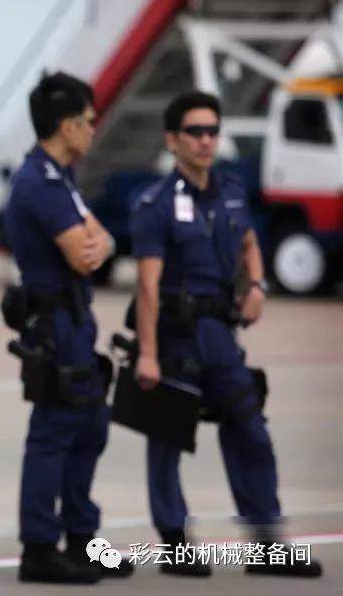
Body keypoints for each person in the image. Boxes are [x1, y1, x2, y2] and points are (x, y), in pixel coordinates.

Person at [129, 91, 322, 578]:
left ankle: (265, 544)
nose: (206, 140)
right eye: (195, 131)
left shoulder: (232, 191)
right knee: (167, 438)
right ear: (173, 140)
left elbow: (250, 242)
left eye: (213, 130)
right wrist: (147, 354)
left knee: (252, 431)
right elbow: (147, 285)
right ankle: (175, 543)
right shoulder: (155, 205)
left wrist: (256, 284)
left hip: (219, 333)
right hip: (173, 335)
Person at [4, 72, 132, 584]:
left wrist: (100, 243)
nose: (94, 130)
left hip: (74, 320)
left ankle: (81, 537)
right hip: (55, 324)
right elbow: (85, 254)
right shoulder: (40, 182)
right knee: (55, 432)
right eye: (89, 121)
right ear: (66, 124)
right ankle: (39, 546)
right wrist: (98, 245)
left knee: (89, 428)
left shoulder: (61, 178)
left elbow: (100, 238)